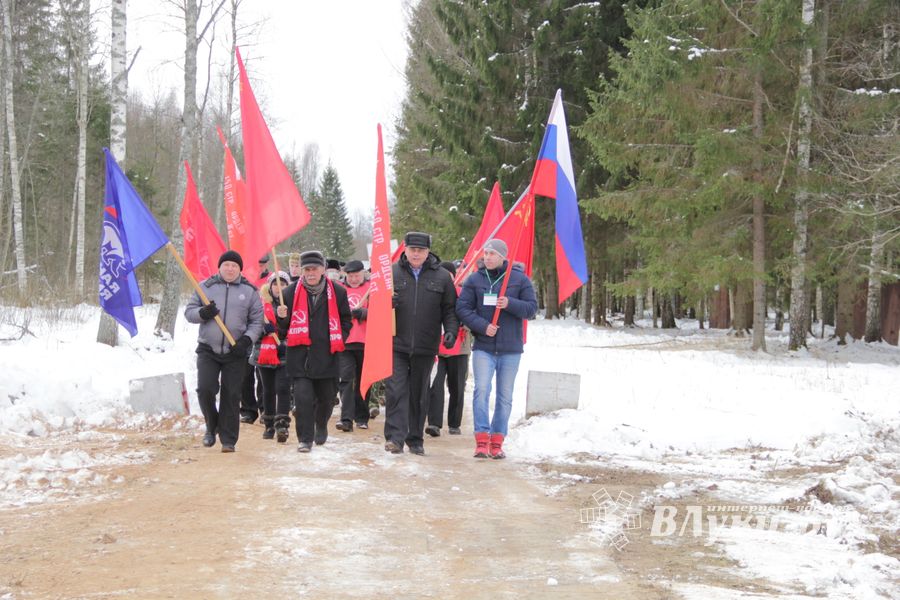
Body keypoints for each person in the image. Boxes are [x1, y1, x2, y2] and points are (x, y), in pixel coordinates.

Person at [456, 239, 537, 459]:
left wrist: (510, 303)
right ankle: (482, 439)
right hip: (484, 346)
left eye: (492, 253)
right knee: (481, 390)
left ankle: (497, 440)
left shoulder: (520, 279)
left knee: (504, 396)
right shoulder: (475, 279)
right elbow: (462, 308)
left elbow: (531, 309)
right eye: (486, 253)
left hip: (510, 349)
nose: (487, 257)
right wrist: (482, 326)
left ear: (503, 256)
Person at [384, 232, 458, 455]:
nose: (416, 253)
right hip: (395, 343)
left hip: (426, 345)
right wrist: (386, 303)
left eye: (421, 250)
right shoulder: (391, 273)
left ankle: (414, 439)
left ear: (428, 252)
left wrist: (451, 330)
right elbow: (374, 305)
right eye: (412, 249)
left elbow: (450, 310)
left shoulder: (443, 277)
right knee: (396, 390)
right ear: (405, 250)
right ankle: (395, 439)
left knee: (419, 394)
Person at [184, 250, 264, 452]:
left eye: (234, 266)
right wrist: (203, 313)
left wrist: (247, 341)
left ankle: (228, 439)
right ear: (219, 267)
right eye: (226, 265)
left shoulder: (250, 291)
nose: (230, 268)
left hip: (235, 351)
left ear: (239, 269)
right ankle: (212, 426)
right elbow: (189, 312)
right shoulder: (205, 287)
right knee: (205, 389)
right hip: (208, 349)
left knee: (232, 394)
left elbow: (257, 321)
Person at [275, 250, 352, 453]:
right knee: (302, 399)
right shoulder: (289, 293)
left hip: (327, 356)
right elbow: (282, 331)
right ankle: (305, 439)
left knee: (327, 398)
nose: (310, 273)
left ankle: (321, 424)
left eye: (314, 269)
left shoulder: (338, 292)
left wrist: (339, 338)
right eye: (306, 269)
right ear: (301, 271)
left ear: (323, 270)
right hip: (300, 357)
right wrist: (281, 317)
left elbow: (346, 321)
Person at [426, 261, 472, 437]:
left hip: (459, 348)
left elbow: (472, 316)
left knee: (457, 386)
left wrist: (463, 321)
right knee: (435, 385)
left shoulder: (464, 293)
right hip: (436, 348)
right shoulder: (434, 292)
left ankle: (454, 422)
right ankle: (434, 423)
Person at [250, 271, 291, 441]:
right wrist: (262, 329)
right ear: (270, 286)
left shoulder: (291, 304)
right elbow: (252, 326)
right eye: (276, 284)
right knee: (267, 390)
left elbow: (294, 327)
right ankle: (268, 423)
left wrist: (282, 322)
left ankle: (281, 423)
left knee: (282, 388)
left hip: (284, 351)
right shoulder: (260, 305)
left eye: (283, 284)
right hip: (264, 351)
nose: (279, 288)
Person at [335, 259, 372, 432]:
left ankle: (362, 417)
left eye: (357, 275)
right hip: (346, 342)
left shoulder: (372, 288)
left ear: (363, 273)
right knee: (346, 379)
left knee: (364, 381)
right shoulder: (340, 290)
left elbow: (383, 312)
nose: (354, 279)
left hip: (366, 341)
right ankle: (346, 418)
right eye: (350, 276)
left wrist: (365, 313)